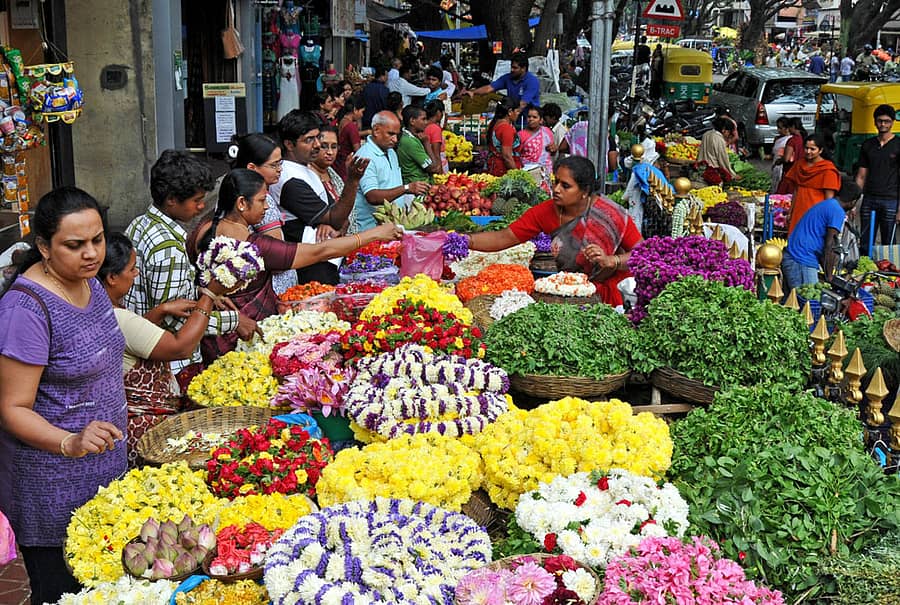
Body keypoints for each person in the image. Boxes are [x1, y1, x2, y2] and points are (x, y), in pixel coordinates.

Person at [0, 188, 126, 604]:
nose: (91, 254)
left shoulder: (89, 284)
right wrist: (69, 441)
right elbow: (12, 408)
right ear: (43, 248)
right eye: (74, 245)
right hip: (52, 488)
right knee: (62, 593)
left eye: (97, 240)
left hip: (102, 472)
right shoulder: (27, 310)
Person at [189, 169, 403, 358]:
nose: (266, 208)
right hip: (241, 338)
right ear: (242, 203)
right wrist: (373, 234)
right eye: (263, 201)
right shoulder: (254, 248)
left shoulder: (203, 229)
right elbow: (320, 251)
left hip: (207, 333)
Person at [124, 150, 254, 380]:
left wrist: (200, 293)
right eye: (196, 200)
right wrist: (235, 321)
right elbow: (174, 320)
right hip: (168, 366)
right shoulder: (168, 247)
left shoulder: (139, 223)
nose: (201, 206)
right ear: (172, 199)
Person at [99, 233, 223, 467]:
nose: (136, 274)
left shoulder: (103, 309)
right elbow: (180, 348)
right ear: (112, 277)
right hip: (145, 432)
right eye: (132, 269)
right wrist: (208, 296)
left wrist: (161, 310)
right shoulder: (117, 317)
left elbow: (132, 337)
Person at [468, 155, 642, 306]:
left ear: (584, 192)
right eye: (555, 182)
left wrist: (613, 260)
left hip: (614, 295)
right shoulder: (546, 211)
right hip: (571, 293)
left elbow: (645, 254)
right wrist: (465, 241)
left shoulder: (610, 214)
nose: (556, 189)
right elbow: (504, 237)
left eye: (565, 186)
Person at [273, 110, 370, 284]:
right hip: (312, 267)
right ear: (289, 144)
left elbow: (340, 216)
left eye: (318, 138)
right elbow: (337, 218)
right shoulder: (289, 178)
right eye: (309, 140)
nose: (317, 145)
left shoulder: (306, 170)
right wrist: (353, 180)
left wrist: (336, 226)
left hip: (328, 258)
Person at [231, 132, 298, 295]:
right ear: (252, 168)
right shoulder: (258, 200)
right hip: (272, 291)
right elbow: (277, 256)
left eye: (280, 163)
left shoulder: (234, 189)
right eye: (274, 165)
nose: (280, 169)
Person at [350, 110, 431, 233]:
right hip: (369, 230)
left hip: (391, 227)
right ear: (376, 130)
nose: (395, 140)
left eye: (397, 135)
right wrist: (407, 188)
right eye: (391, 134)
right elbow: (372, 196)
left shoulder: (391, 152)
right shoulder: (365, 157)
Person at [782, 178, 861, 291]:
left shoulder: (828, 204)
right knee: (808, 303)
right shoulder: (837, 211)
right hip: (800, 259)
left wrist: (826, 271)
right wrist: (829, 276)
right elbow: (830, 245)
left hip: (795, 256)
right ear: (853, 202)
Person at [856, 104, 900, 255]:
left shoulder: (898, 145)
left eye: (887, 121)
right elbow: (861, 175)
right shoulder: (868, 145)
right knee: (865, 241)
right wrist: (854, 202)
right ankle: (863, 271)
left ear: (892, 122)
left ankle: (889, 275)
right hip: (869, 199)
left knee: (889, 244)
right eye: (880, 121)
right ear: (875, 122)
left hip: (891, 200)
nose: (883, 124)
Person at [781, 132, 841, 234]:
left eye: (812, 149)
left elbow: (829, 200)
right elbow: (796, 190)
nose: (808, 152)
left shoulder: (828, 170)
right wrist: (790, 212)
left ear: (820, 150)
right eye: (806, 148)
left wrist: (825, 219)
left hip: (816, 214)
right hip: (798, 211)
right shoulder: (799, 164)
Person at [465, 51, 541, 115]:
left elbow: (523, 103)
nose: (512, 70)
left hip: (529, 118)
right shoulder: (508, 78)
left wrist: (512, 115)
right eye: (511, 67)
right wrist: (473, 92)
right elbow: (489, 88)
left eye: (515, 68)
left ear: (523, 68)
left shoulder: (532, 81)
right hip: (513, 115)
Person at [397, 104, 440, 184]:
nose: (426, 122)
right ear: (412, 121)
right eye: (423, 119)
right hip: (417, 187)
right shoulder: (410, 142)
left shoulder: (410, 137)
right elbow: (434, 168)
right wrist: (426, 143)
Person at [517, 105, 555, 188]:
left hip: (545, 173)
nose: (531, 119)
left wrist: (553, 149)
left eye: (534, 117)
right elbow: (516, 155)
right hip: (527, 173)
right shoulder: (521, 135)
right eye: (529, 117)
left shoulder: (547, 132)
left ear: (541, 120)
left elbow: (552, 151)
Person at [485, 97, 523, 177]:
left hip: (494, 166)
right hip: (503, 171)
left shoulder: (495, 123)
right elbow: (507, 156)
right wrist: (518, 175)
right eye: (517, 111)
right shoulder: (506, 129)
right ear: (510, 112)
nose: (518, 114)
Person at [336, 95, 366, 181]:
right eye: (362, 112)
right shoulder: (351, 127)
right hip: (346, 163)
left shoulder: (342, 120)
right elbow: (358, 150)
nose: (362, 115)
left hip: (340, 161)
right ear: (355, 110)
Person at [423, 100, 448, 174]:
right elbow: (436, 153)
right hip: (436, 164)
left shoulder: (424, 126)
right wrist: (440, 173)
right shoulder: (435, 128)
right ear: (438, 112)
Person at [361, 65, 389, 130]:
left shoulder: (366, 88)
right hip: (378, 122)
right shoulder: (384, 90)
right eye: (386, 76)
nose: (387, 78)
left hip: (365, 120)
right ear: (382, 76)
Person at [771, 117, 792, 192]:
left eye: (780, 128)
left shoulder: (789, 140)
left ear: (787, 128)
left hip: (781, 167)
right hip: (775, 166)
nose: (778, 130)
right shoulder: (777, 139)